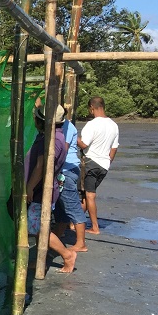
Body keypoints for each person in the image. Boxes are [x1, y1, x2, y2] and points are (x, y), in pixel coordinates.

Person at [24, 102, 76, 273]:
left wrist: (30, 187)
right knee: (38, 226)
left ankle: (67, 255)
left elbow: (41, 166)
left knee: (39, 228)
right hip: (41, 188)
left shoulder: (52, 140)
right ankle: (41, 260)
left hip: (41, 189)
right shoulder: (53, 136)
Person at [78, 96, 119, 235]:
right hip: (104, 165)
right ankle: (74, 223)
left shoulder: (92, 125)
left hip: (91, 163)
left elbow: (84, 144)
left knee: (89, 195)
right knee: (85, 193)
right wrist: (108, 162)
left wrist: (72, 137)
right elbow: (114, 148)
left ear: (91, 108)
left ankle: (95, 227)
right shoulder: (114, 125)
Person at [54, 103, 87, 251]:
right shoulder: (63, 126)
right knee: (61, 206)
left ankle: (81, 243)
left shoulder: (66, 127)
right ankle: (58, 233)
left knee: (71, 204)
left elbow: (63, 149)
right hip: (64, 169)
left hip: (66, 169)